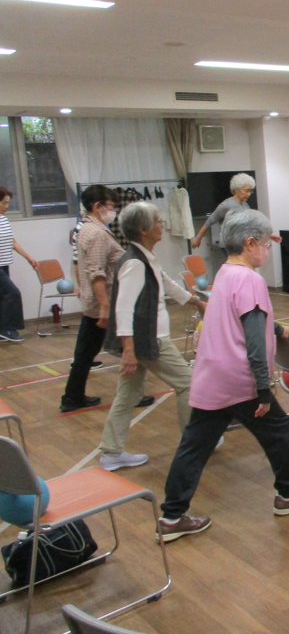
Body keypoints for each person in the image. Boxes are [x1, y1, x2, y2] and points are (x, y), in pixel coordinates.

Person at [157, 209, 289, 542]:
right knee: (277, 428)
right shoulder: (250, 280)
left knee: (194, 446)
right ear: (250, 244)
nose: (268, 250)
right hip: (239, 380)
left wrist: (276, 328)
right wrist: (263, 389)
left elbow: (239, 318)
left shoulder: (225, 273)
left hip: (211, 376)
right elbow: (252, 339)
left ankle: (171, 516)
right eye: (266, 244)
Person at [99, 202, 206, 471]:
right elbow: (123, 309)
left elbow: (166, 282)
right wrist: (128, 350)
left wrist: (197, 302)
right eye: (157, 221)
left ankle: (111, 452)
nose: (162, 225)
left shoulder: (144, 257)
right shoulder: (135, 263)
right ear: (143, 229)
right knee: (189, 383)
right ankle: (194, 444)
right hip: (149, 340)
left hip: (143, 340)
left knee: (127, 394)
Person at [59, 186, 123, 412]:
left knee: (85, 353)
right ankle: (73, 397)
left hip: (95, 303)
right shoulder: (96, 234)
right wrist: (104, 306)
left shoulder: (85, 228)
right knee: (126, 348)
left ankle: (72, 397)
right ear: (98, 206)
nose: (113, 210)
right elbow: (97, 272)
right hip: (102, 305)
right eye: (111, 205)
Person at [0, 186, 38, 343]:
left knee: (3, 296)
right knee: (13, 293)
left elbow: (12, 241)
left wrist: (28, 257)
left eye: (8, 203)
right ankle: (8, 329)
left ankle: (2, 330)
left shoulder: (3, 219)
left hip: (4, 263)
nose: (7, 206)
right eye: (3, 202)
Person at [190, 172, 254, 250]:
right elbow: (210, 221)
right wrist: (198, 238)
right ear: (236, 189)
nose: (249, 194)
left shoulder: (246, 205)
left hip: (242, 243)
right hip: (229, 244)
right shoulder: (226, 205)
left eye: (250, 191)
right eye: (246, 191)